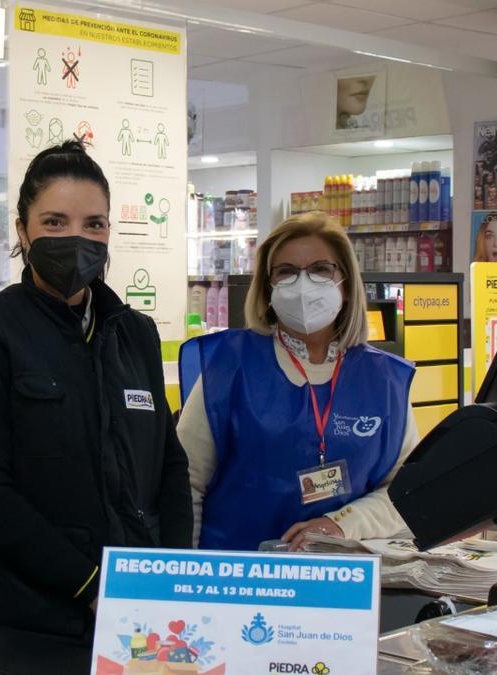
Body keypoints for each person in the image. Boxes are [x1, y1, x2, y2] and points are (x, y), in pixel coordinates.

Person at [0, 140, 191, 640]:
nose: (76, 238)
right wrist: (92, 585)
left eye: (93, 224)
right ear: (22, 230)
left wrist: (170, 575)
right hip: (22, 621)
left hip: (136, 613)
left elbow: (168, 464)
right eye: (55, 222)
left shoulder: (134, 332)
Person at [177, 212, 420, 551]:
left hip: (341, 582)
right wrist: (189, 577)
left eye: (321, 269)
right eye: (286, 272)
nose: (303, 285)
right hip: (239, 578)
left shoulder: (384, 380)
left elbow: (405, 491)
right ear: (268, 288)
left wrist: (342, 523)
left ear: (346, 285)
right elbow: (185, 484)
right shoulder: (230, 365)